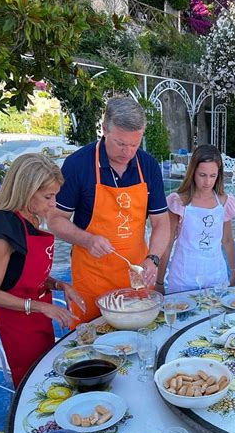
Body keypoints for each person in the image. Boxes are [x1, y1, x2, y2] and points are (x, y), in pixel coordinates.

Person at [47, 96, 170, 322]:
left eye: (135, 144)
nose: (128, 152)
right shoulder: (78, 164)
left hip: (136, 277)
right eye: (121, 143)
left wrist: (153, 259)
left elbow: (162, 222)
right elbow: (55, 219)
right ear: (104, 129)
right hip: (92, 279)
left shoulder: (148, 166)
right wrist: (86, 239)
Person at [0, 154, 83, 388]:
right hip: (18, 325)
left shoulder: (31, 219)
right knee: (31, 382)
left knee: (47, 373)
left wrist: (60, 285)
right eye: (48, 197)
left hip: (39, 316)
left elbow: (29, 274)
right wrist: (40, 306)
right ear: (26, 190)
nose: (53, 204)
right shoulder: (3, 229)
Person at [156, 145, 235, 293]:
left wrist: (234, 271)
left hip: (216, 276)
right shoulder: (179, 202)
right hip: (183, 276)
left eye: (213, 176)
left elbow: (227, 240)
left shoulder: (224, 202)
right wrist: (159, 281)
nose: (207, 182)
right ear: (193, 172)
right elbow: (167, 244)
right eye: (202, 175)